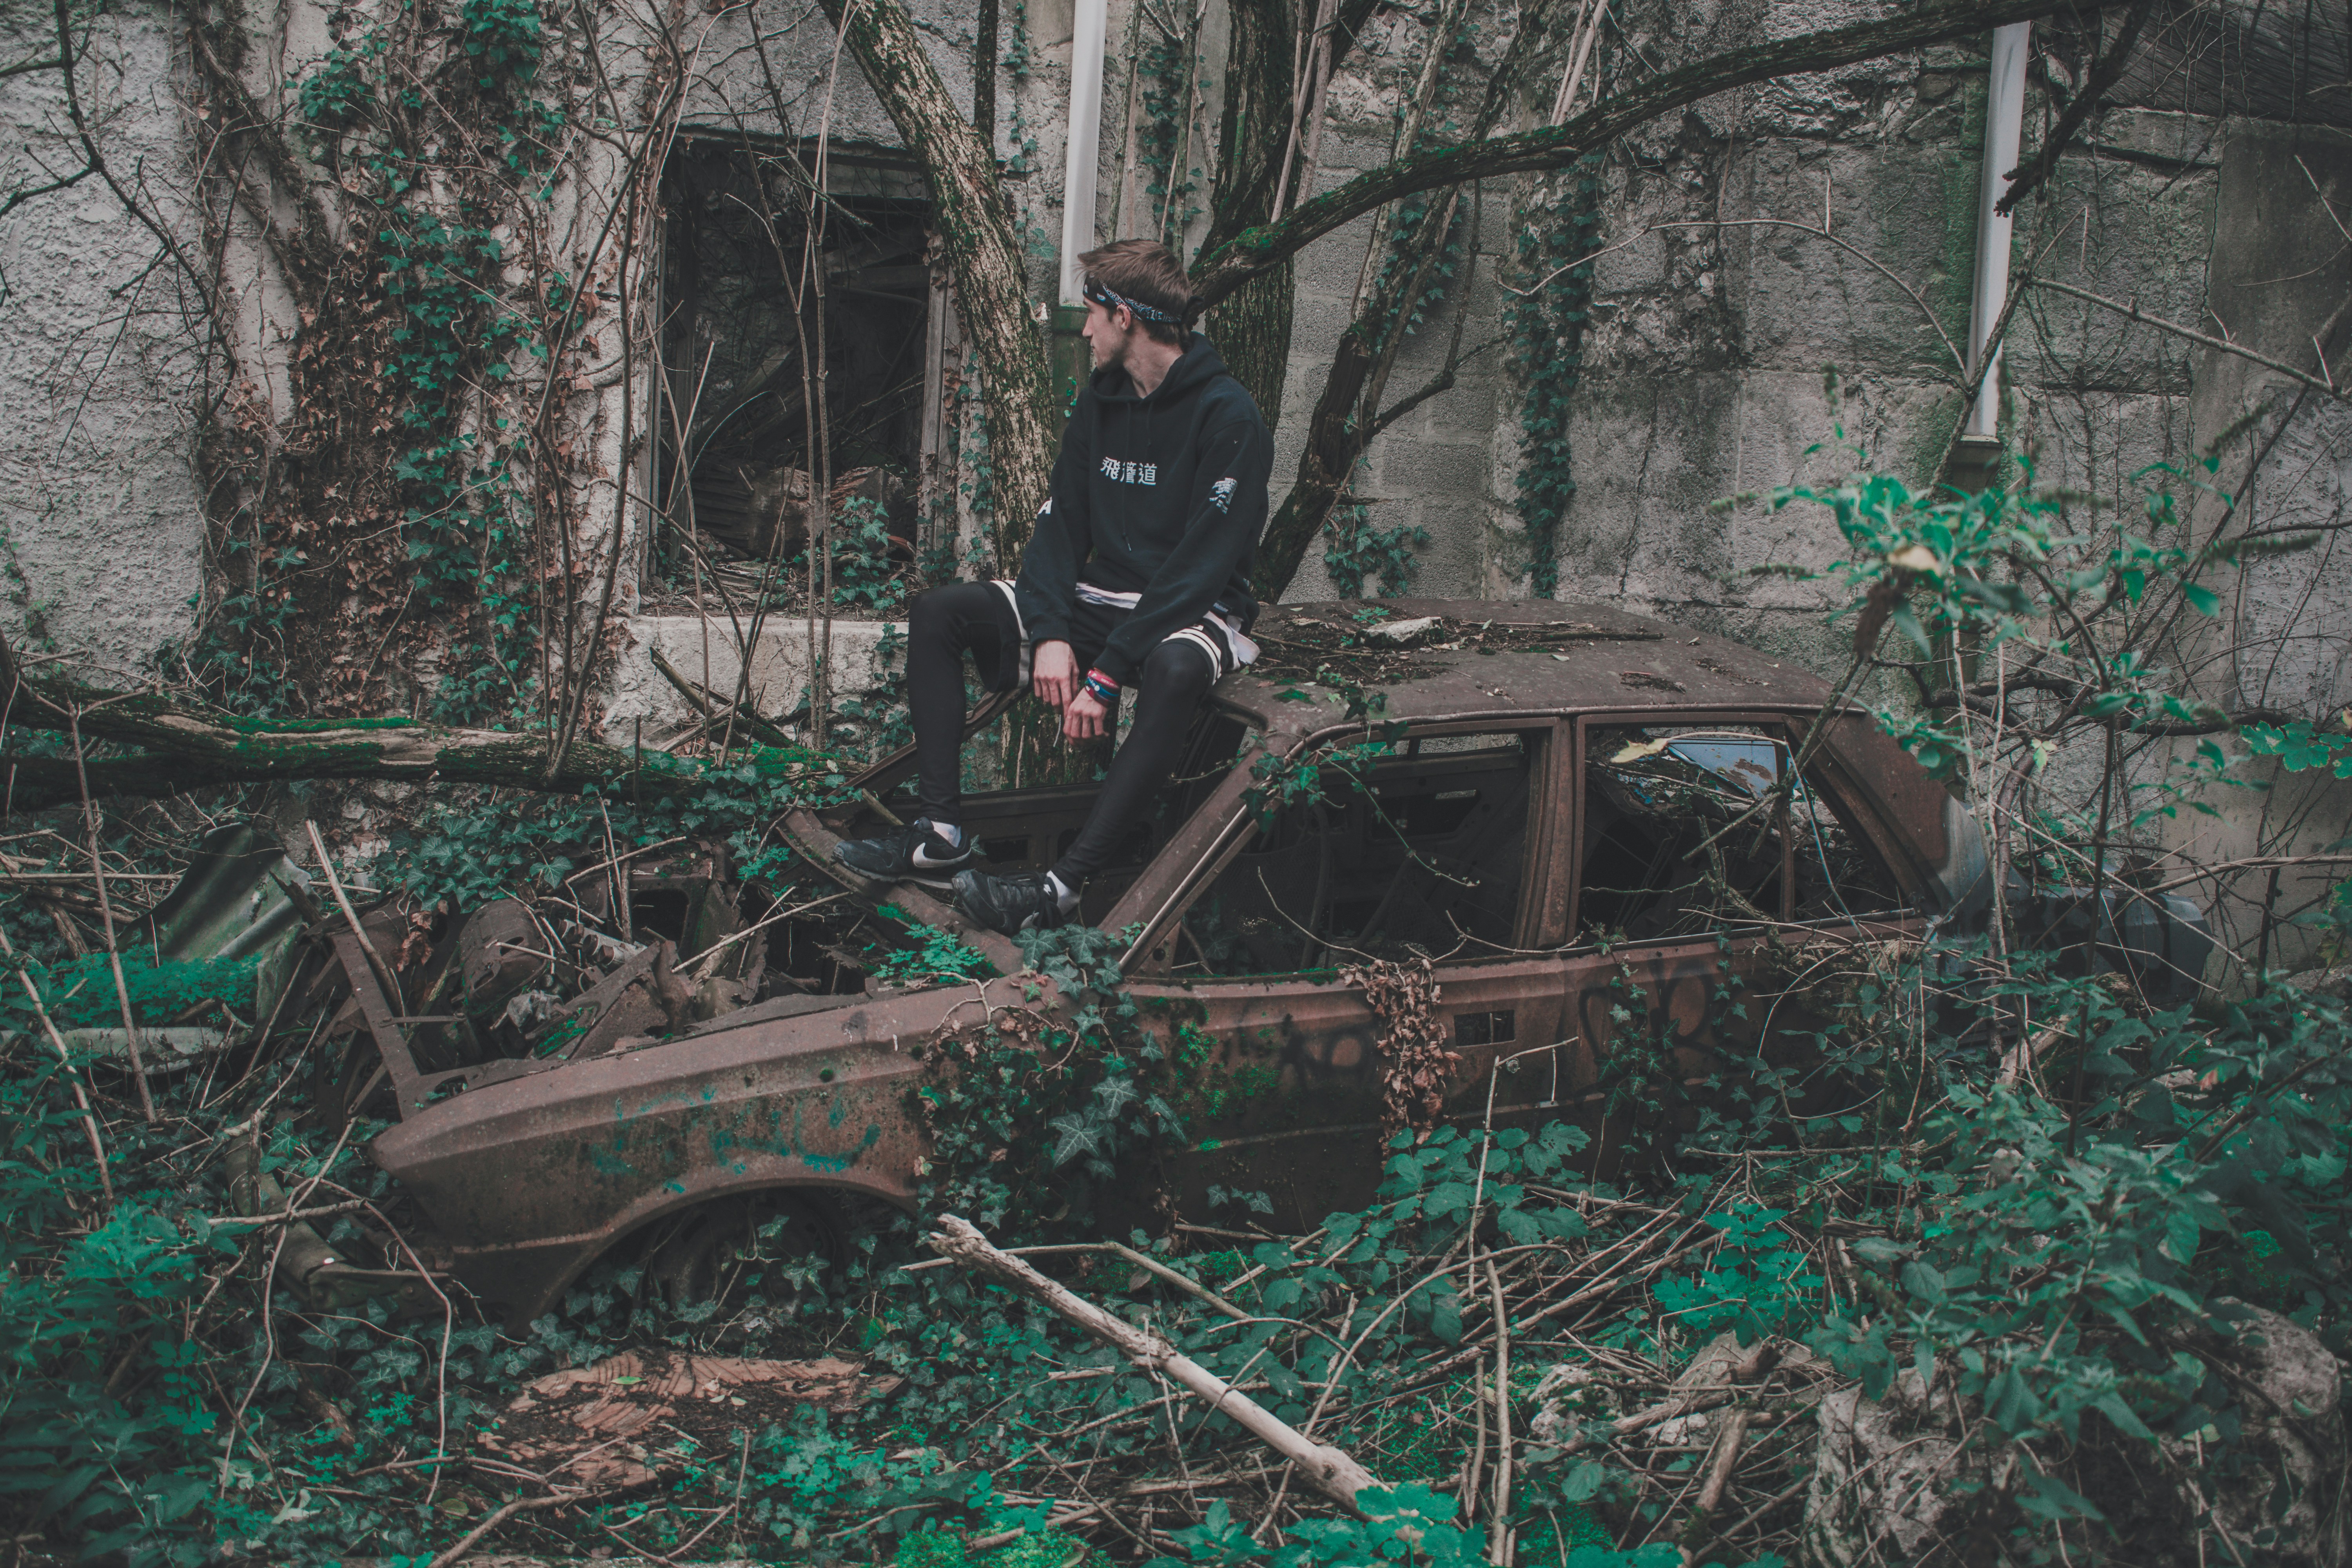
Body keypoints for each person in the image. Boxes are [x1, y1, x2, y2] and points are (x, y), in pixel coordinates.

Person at [833, 239, 1274, 934]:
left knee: (1176, 665)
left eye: (1094, 312)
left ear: (1127, 317)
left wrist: (1106, 674)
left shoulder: (1228, 416)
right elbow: (1060, 527)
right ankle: (938, 835)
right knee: (940, 612)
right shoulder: (1101, 403)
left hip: (1189, 606)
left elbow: (1202, 565)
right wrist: (1051, 635)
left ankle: (1063, 886)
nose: (1085, 327)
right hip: (1099, 598)